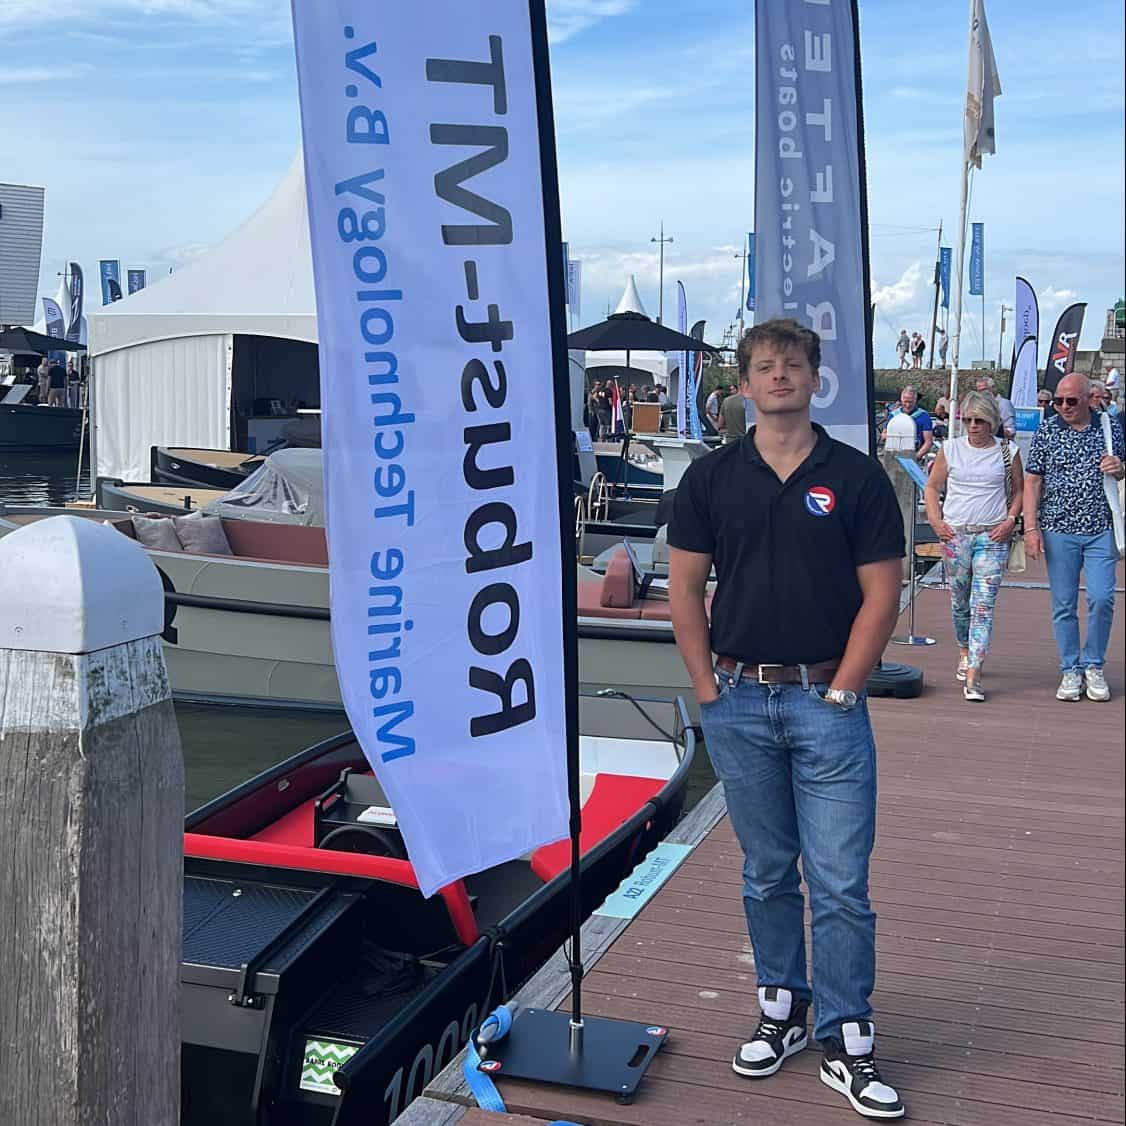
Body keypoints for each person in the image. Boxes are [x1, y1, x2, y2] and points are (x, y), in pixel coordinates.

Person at [668, 317, 906, 1120]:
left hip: (824, 703)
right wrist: (705, 688)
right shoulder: (710, 479)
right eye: (765, 367)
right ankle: (784, 1007)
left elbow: (882, 594)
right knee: (767, 870)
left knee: (839, 881)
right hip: (737, 699)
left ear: (814, 379)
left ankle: (847, 1036)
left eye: (793, 365)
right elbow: (685, 589)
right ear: (743, 385)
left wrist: (845, 689)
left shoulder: (856, 477)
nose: (779, 376)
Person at [1024, 373, 1125, 702]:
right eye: (1058, 401)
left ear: (1089, 399)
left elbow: (1122, 468)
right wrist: (1030, 528)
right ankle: (1070, 668)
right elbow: (1032, 481)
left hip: (1101, 527)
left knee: (1102, 597)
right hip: (1058, 529)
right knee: (1064, 604)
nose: (1063, 406)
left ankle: (1093, 664)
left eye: (1071, 401)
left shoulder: (1109, 427)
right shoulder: (1047, 430)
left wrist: (1119, 467)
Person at [924, 391, 1023, 701]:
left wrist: (1010, 520)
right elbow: (932, 487)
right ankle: (964, 650)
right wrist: (936, 521)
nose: (973, 426)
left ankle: (974, 673)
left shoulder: (1008, 451)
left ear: (991, 421)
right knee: (960, 600)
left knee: (983, 605)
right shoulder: (951, 449)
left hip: (992, 536)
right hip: (956, 535)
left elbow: (1020, 491)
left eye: (979, 420)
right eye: (967, 420)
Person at [881, 386, 933, 462]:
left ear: (915, 400)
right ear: (901, 400)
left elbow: (928, 442)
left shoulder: (923, 416)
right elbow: (883, 435)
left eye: (910, 402)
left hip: (915, 454)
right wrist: (891, 436)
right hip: (894, 455)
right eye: (905, 402)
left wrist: (916, 457)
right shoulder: (893, 415)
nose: (908, 405)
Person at [974, 374, 1015, 439]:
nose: (981, 393)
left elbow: (1011, 430)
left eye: (984, 389)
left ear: (993, 388)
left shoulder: (1004, 404)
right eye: (979, 391)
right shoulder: (981, 405)